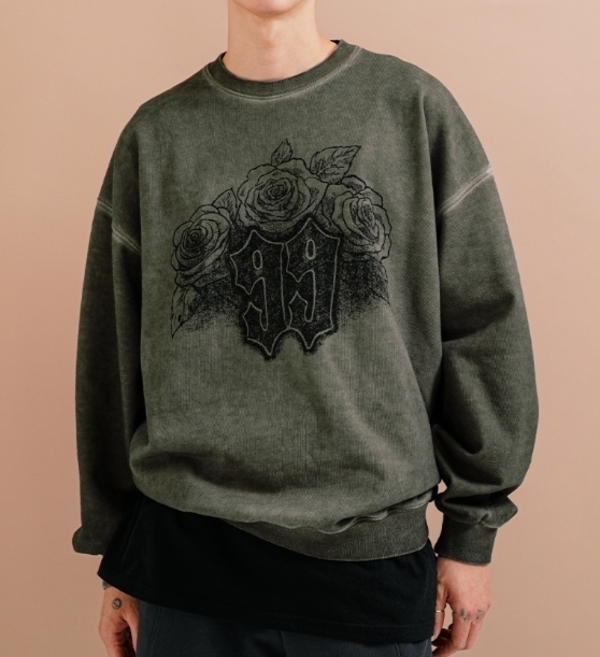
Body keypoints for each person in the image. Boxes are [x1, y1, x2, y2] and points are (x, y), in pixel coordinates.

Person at [71, 1, 539, 656]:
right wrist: (117, 551)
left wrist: (472, 533)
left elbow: (484, 322)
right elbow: (111, 351)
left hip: (365, 572)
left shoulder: (412, 108)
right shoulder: (156, 136)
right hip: (184, 568)